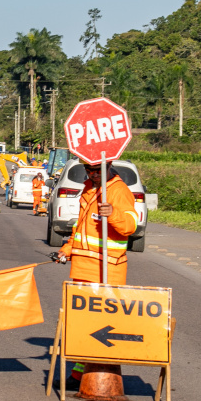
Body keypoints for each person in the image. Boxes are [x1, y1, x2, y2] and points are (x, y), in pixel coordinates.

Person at [56, 161, 139, 387]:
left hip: (106, 269)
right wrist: (66, 250)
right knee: (83, 325)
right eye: (89, 171)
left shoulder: (118, 190)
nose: (92, 175)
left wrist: (112, 213)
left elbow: (130, 225)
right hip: (84, 268)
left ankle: (81, 376)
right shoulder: (90, 188)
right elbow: (81, 227)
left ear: (108, 167)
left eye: (97, 171)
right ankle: (79, 373)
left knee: (99, 325)